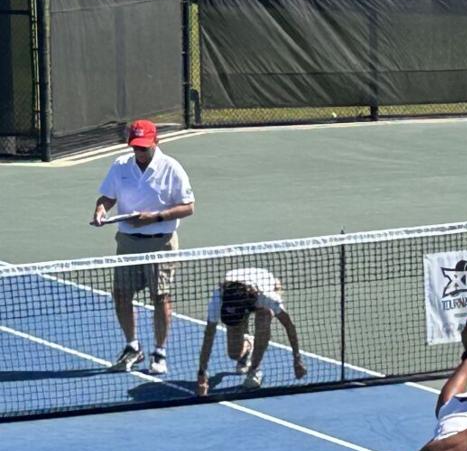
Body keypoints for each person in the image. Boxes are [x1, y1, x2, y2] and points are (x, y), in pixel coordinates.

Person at [90, 119, 195, 377]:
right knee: (121, 294)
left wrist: (155, 217)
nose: (139, 151)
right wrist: (101, 208)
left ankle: (159, 353)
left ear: (155, 142)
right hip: (127, 242)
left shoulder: (172, 168)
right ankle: (132, 346)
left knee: (160, 297)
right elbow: (107, 197)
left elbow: (188, 206)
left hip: (160, 242)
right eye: (135, 146)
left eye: (144, 147)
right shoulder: (120, 166)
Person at [194, 268, 308, 396]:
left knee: (263, 321)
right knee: (234, 354)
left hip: (261, 290)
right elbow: (208, 336)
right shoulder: (219, 299)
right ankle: (248, 344)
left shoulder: (266, 297)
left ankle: (254, 369)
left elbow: (289, 325)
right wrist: (202, 373)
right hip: (241, 299)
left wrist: (297, 359)